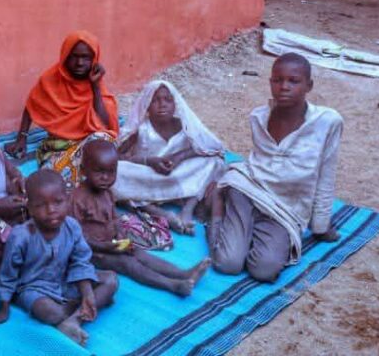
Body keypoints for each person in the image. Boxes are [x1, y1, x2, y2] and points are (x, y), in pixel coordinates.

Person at [209, 53, 343, 283]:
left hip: (285, 208)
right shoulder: (258, 117)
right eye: (277, 80)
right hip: (247, 190)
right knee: (228, 264)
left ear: (309, 85)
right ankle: (217, 207)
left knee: (264, 270)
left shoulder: (327, 122)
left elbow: (326, 175)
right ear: (270, 82)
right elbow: (261, 164)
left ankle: (246, 230)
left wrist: (320, 226)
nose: (284, 87)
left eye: (294, 81)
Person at [0, 169, 118, 347]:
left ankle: (73, 320)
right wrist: (3, 308)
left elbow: (80, 261)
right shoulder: (21, 236)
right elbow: (7, 274)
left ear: (67, 200)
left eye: (58, 202)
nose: (51, 210)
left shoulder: (72, 226)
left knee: (111, 280)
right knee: (49, 312)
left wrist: (87, 293)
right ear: (30, 208)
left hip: (66, 280)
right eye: (41, 205)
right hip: (34, 288)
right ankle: (85, 308)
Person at [74, 140, 210, 297]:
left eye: (111, 172)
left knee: (139, 253)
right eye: (99, 172)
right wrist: (105, 247)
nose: (105, 177)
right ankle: (172, 285)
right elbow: (76, 238)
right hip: (92, 252)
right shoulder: (78, 200)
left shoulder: (107, 192)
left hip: (112, 243)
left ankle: (183, 274)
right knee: (127, 263)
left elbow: (114, 219)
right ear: (83, 170)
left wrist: (121, 236)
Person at [4, 31, 119, 189]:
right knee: (52, 183)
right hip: (58, 149)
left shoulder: (96, 84)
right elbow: (32, 105)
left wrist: (95, 87)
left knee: (104, 140)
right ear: (65, 56)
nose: (79, 63)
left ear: (94, 59)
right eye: (74, 56)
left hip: (86, 146)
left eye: (86, 57)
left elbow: (106, 125)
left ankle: (82, 182)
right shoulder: (50, 79)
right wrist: (21, 138)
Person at [114, 81, 226, 235]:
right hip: (147, 177)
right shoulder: (141, 129)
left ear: (176, 104)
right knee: (115, 172)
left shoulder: (185, 126)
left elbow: (212, 147)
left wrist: (179, 156)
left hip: (177, 176)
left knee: (215, 162)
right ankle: (159, 213)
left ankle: (188, 208)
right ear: (146, 105)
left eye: (168, 100)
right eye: (155, 100)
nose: (162, 105)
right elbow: (116, 156)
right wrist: (148, 161)